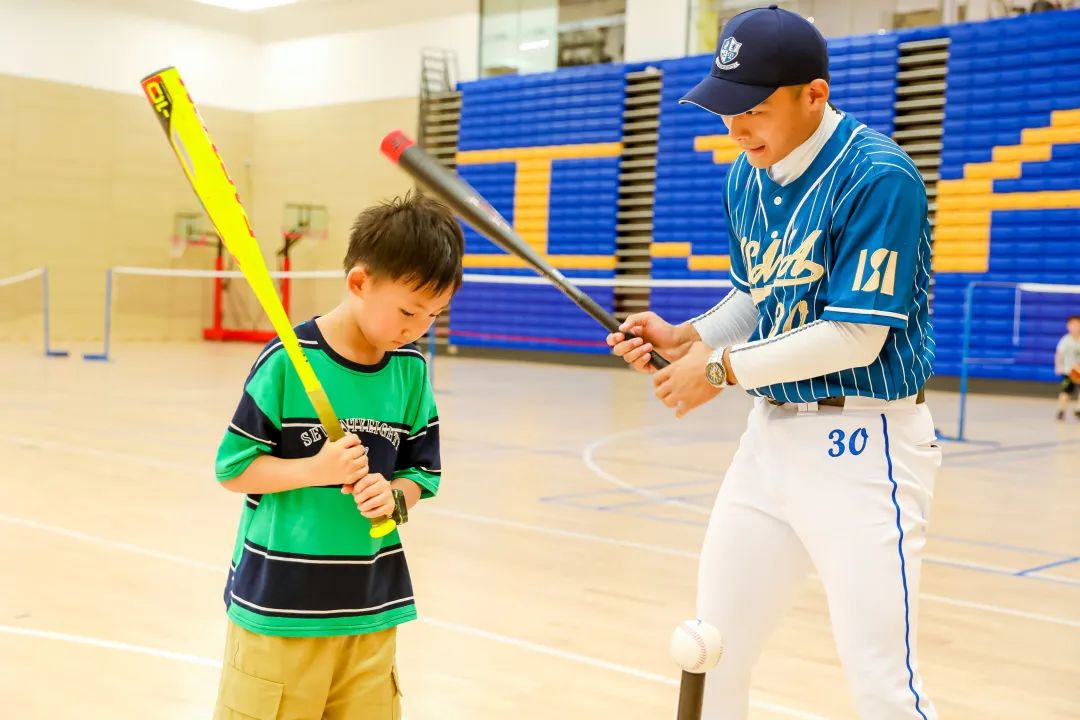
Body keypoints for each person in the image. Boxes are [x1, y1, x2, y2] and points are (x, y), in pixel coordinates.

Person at [608, 7, 940, 719]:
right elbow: (757, 295)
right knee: (712, 650)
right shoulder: (746, 178)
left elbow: (855, 337)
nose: (735, 128)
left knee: (883, 685)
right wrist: (684, 334)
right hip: (769, 443)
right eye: (728, 109)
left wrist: (717, 369)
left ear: (813, 96)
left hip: (864, 445)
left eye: (753, 109)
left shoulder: (880, 177)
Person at [212, 192, 463, 719]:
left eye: (434, 315)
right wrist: (316, 469)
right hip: (280, 612)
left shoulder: (410, 372)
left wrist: (393, 499)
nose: (417, 328)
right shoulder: (286, 361)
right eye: (408, 311)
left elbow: (421, 473)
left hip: (371, 609)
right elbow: (233, 468)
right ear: (359, 282)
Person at [1055, 314, 1080, 421]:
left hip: (1079, 370)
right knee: (1066, 392)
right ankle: (1061, 410)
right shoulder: (1066, 340)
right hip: (1068, 371)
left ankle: (1078, 409)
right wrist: (1058, 366)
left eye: (1077, 324)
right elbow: (1059, 354)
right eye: (1072, 325)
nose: (1075, 327)